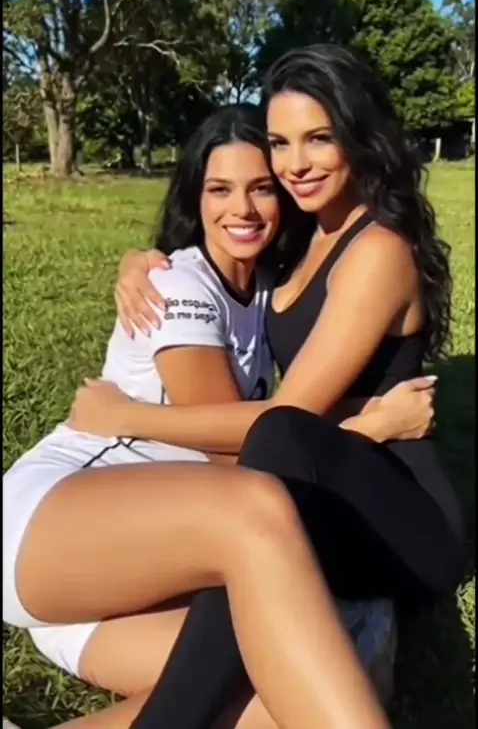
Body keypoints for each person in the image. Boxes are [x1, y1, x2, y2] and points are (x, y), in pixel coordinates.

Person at [71, 44, 466, 729]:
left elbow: (288, 416)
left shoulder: (377, 250)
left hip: (404, 521)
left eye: (319, 138)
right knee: (252, 543)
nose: (296, 164)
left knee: (269, 457)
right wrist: (142, 261)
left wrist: (127, 416)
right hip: (333, 483)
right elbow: (223, 247)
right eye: (281, 143)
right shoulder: (304, 236)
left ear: (358, 134)